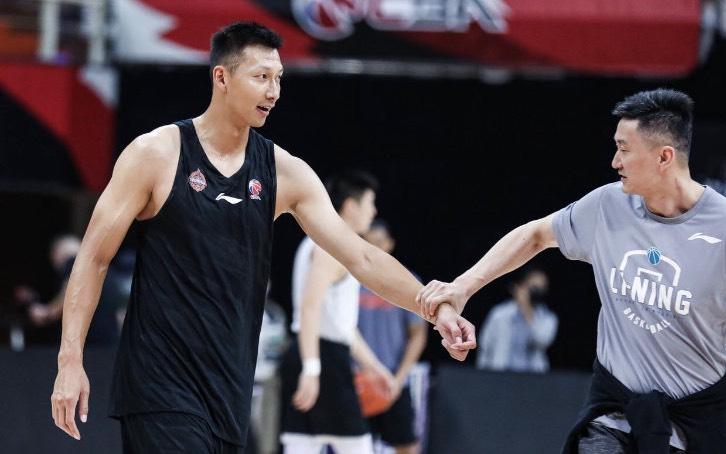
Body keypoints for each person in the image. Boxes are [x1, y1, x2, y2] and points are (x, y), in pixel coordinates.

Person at [50, 22, 475, 452]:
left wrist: (433, 306)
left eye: (278, 79)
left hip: (229, 389)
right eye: (261, 77)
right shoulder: (155, 154)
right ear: (221, 77)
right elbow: (94, 257)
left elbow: (361, 257)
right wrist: (70, 359)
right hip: (159, 385)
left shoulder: (283, 172)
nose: (273, 92)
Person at [419, 89, 726, 453]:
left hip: (695, 423)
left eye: (624, 149)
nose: (615, 161)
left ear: (664, 157)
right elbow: (535, 235)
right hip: (614, 413)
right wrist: (463, 286)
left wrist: (720, 361)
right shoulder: (609, 205)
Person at [281, 172, 397, 454]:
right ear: (351, 206)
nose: (374, 211)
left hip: (313, 352)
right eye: (370, 203)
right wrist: (312, 368)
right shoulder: (330, 248)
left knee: (301, 445)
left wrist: (373, 366)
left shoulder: (321, 241)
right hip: (322, 357)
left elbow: (342, 324)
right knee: (357, 446)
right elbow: (310, 307)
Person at [358, 219, 427, 454]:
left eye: (379, 242)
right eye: (369, 243)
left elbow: (418, 335)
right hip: (359, 379)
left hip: (394, 381)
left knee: (406, 446)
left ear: (389, 244)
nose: (375, 248)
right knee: (353, 446)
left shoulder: (407, 281)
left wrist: (399, 377)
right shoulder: (348, 280)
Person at [477, 268, 557, 373]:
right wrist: (483, 373)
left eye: (539, 289)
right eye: (532, 287)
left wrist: (527, 310)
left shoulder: (547, 317)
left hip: (533, 375)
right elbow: (485, 344)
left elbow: (542, 340)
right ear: (521, 286)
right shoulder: (499, 313)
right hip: (500, 372)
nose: (535, 292)